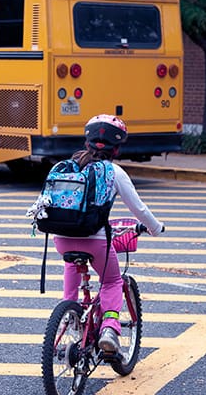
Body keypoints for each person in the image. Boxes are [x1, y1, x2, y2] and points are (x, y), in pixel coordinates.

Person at [53, 114, 164, 354]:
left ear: (87, 142)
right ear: (116, 149)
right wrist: (155, 228)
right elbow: (139, 209)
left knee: (72, 265)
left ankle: (68, 313)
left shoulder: (69, 165)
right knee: (112, 280)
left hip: (61, 238)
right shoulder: (114, 172)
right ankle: (110, 328)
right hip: (96, 240)